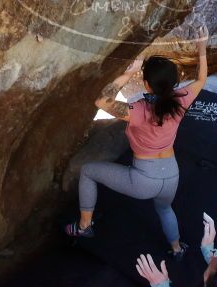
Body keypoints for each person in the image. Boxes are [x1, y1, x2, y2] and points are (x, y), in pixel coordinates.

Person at [65, 26, 209, 257]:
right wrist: (202, 45)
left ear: (146, 85)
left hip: (143, 179)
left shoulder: (139, 110)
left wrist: (128, 72)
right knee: (164, 208)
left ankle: (84, 227)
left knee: (88, 172)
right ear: (176, 80)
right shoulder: (182, 99)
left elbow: (102, 101)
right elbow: (202, 77)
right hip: (171, 174)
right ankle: (176, 248)